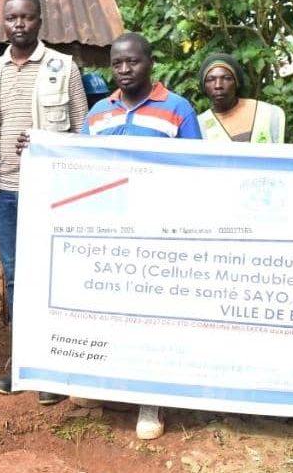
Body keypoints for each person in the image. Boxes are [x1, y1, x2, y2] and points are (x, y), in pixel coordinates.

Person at [81, 32, 200, 440]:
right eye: (117, 63)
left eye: (133, 61)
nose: (125, 69)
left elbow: (197, 171)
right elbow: (78, 166)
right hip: (108, 232)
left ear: (151, 63)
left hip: (158, 233)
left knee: (152, 316)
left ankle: (151, 399)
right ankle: (103, 384)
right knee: (108, 308)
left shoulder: (178, 109)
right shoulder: (98, 113)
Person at [0, 0, 88, 405]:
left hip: (52, 192)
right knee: (15, 277)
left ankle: (55, 369)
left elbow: (82, 133)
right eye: (12, 18)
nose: (19, 24)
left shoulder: (63, 67)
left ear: (40, 21)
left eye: (27, 17)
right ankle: (24, 363)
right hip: (5, 191)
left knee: (52, 277)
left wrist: (46, 143)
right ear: (3, 23)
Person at [196, 53, 285, 143]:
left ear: (237, 83)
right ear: (203, 86)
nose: (218, 85)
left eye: (226, 78)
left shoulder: (267, 113)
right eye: (210, 79)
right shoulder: (200, 124)